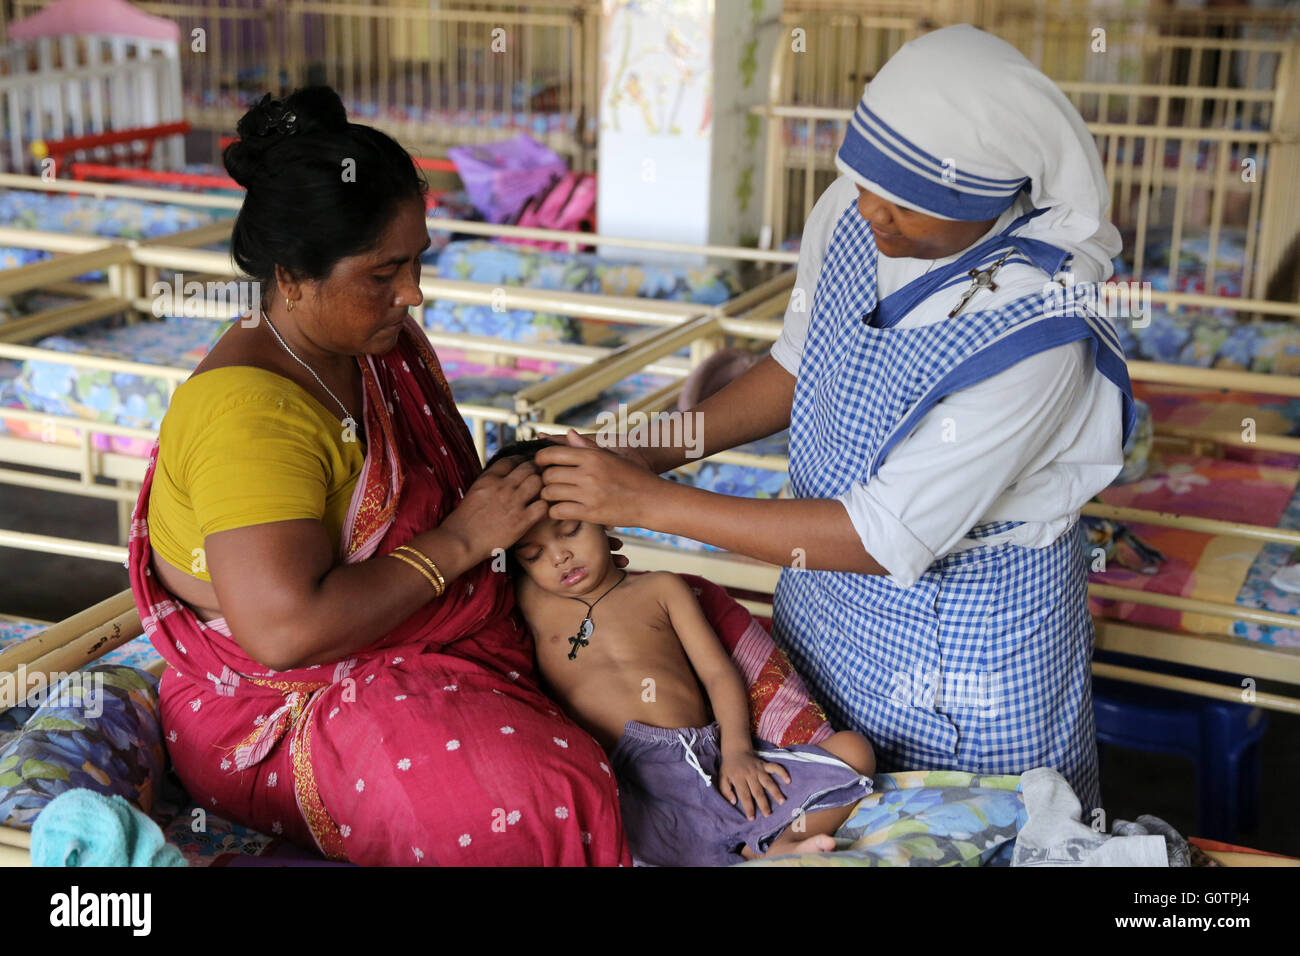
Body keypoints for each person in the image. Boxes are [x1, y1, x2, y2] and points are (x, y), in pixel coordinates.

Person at [533, 25, 1138, 815]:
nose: (870, 213)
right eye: (862, 185)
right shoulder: (853, 212)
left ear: (983, 198)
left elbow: (882, 536)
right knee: (827, 817)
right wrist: (648, 451)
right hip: (825, 597)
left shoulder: (1038, 329)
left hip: (967, 642)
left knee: (970, 832)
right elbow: (794, 366)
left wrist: (645, 504)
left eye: (903, 205)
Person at [127, 87, 629, 865]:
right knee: (533, 797)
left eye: (418, 260)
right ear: (291, 277)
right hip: (282, 705)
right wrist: (465, 542)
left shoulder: (370, 347)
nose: (414, 291)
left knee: (652, 642)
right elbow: (285, 632)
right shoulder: (251, 416)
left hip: (419, 635)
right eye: (385, 271)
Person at [489, 440, 874, 866]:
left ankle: (774, 846)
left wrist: (737, 751)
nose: (559, 556)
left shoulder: (662, 589)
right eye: (533, 554)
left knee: (854, 752)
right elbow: (476, 547)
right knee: (624, 838)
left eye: (572, 530)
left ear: (605, 518)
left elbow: (718, 674)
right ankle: (746, 848)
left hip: (712, 759)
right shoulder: (530, 602)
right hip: (631, 782)